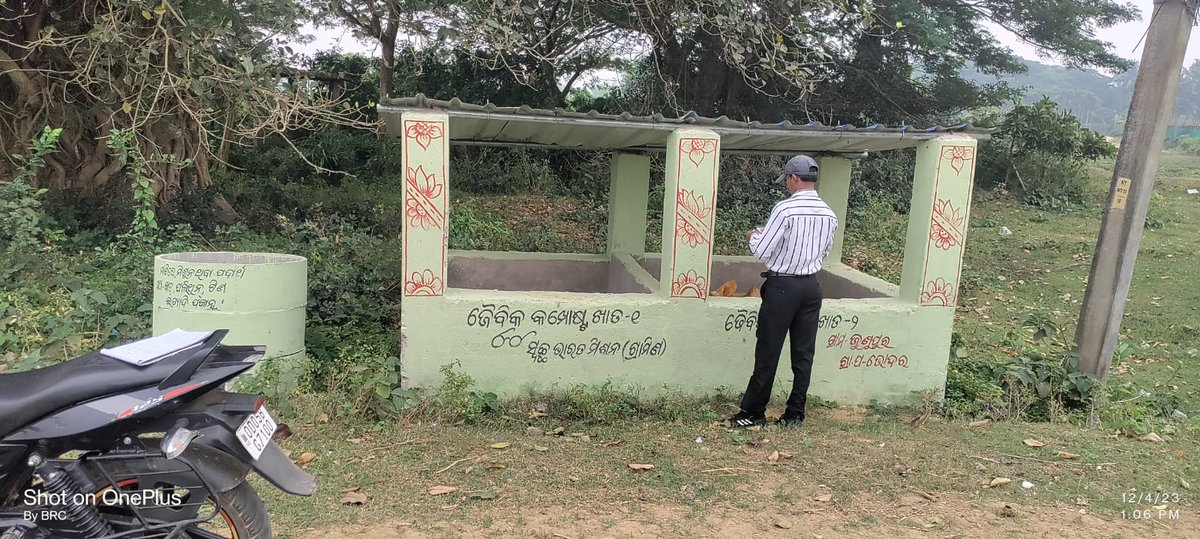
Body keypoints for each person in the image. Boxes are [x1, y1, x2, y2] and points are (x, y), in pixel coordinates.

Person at [728, 154, 838, 429]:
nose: (786, 185)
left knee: (768, 350)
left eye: (787, 180)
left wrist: (755, 236)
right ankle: (795, 414)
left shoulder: (785, 209)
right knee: (803, 353)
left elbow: (763, 251)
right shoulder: (829, 213)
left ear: (792, 178)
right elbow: (822, 252)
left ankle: (752, 413)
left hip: (783, 287)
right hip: (811, 286)